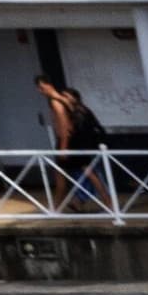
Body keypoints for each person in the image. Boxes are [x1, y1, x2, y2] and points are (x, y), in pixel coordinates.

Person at [37, 74, 109, 208]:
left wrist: (63, 146)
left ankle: (56, 208)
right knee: (88, 172)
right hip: (76, 140)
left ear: (48, 85)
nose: (41, 91)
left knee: (61, 174)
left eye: (41, 87)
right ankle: (108, 203)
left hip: (67, 141)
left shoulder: (55, 101)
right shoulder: (64, 100)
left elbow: (64, 125)